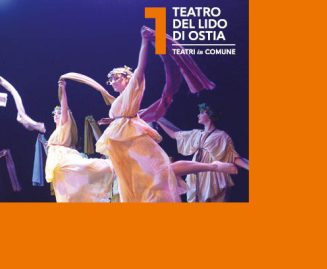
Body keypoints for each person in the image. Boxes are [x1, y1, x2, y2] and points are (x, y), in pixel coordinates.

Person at [95, 28, 235, 202]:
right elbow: (126, 115)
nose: (113, 82)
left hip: (133, 139)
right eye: (111, 80)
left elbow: (140, 67)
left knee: (163, 171)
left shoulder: (134, 86)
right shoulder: (120, 100)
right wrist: (112, 120)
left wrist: (145, 42)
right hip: (122, 141)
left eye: (116, 78)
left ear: (128, 78)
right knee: (138, 182)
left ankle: (214, 167)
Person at [157, 104, 249, 202]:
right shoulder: (196, 133)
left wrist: (248, 166)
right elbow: (174, 135)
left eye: (202, 113)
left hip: (213, 175)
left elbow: (233, 157)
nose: (198, 115)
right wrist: (157, 120)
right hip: (197, 171)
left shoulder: (221, 135)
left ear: (210, 116)